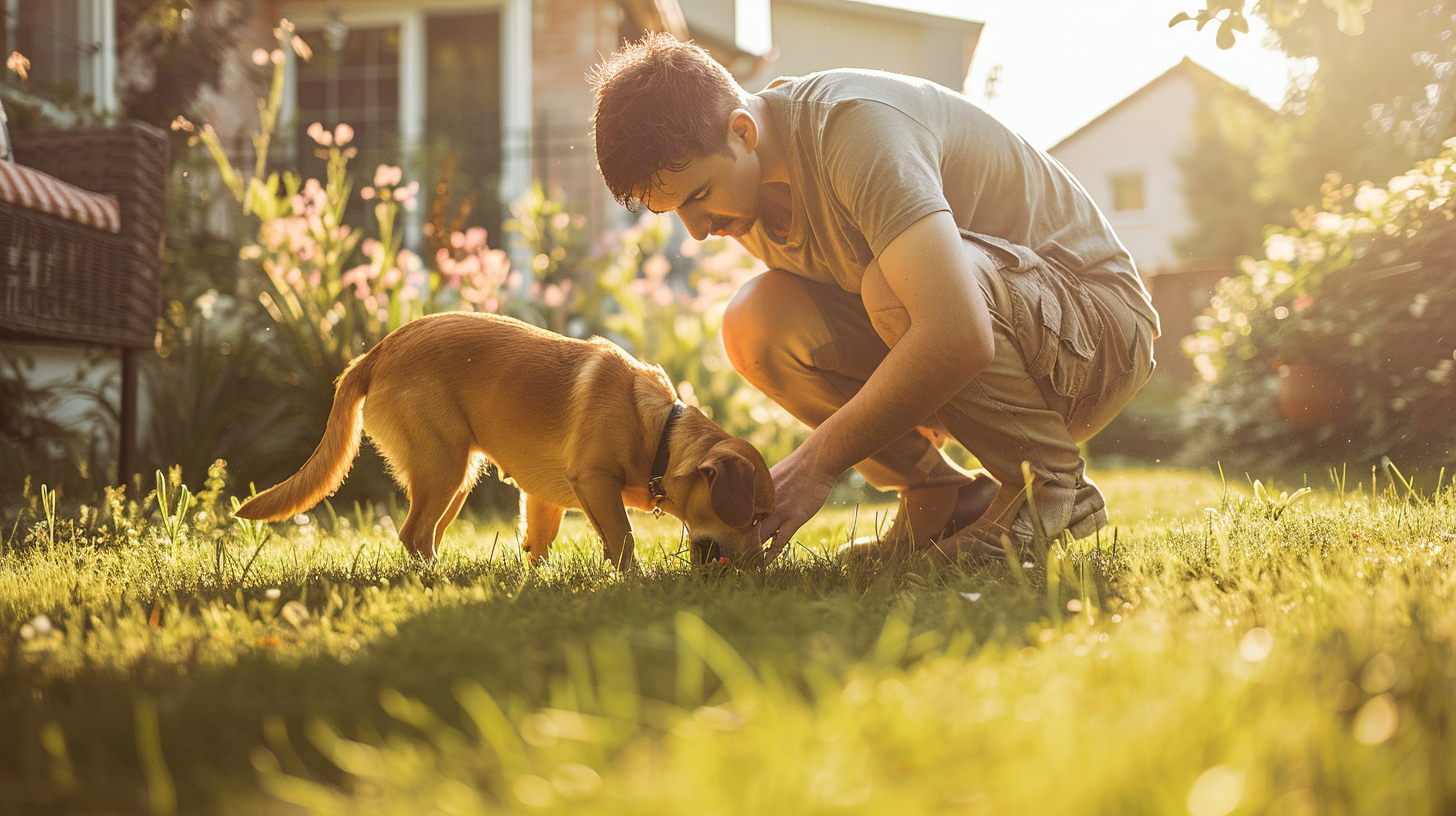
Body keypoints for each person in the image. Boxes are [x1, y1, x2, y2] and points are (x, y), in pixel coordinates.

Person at [589, 33, 1158, 565]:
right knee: (754, 321)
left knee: (890, 287)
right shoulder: (744, 202)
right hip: (1002, 333)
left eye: (700, 196)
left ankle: (1052, 488)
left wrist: (817, 462)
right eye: (675, 211)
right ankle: (938, 495)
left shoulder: (853, 130)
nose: (696, 228)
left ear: (743, 131)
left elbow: (956, 332)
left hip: (1098, 333)